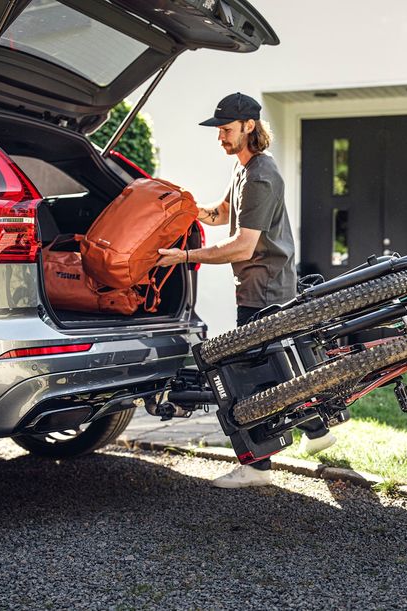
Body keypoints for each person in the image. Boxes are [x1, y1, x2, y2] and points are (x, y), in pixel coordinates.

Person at [156, 92, 336, 488]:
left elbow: (243, 245)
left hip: (265, 290)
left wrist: (184, 256)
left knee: (249, 381)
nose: (219, 137)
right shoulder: (245, 169)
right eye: (219, 130)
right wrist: (186, 209)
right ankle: (318, 433)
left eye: (225, 129)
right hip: (261, 284)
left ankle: (258, 467)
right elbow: (223, 213)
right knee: (277, 373)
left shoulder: (261, 175)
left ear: (249, 127)